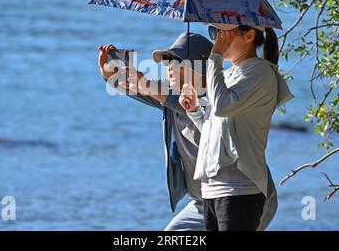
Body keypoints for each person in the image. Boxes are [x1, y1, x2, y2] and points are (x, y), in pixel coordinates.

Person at [179, 23, 294, 231]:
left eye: (222, 33)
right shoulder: (232, 73)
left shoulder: (260, 73)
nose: (217, 40)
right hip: (213, 190)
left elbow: (222, 107)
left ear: (249, 35)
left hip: (239, 190)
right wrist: (195, 110)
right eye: (214, 33)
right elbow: (215, 132)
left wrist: (214, 57)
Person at [97, 32, 213, 230]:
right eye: (167, 61)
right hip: (202, 203)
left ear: (200, 67)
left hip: (237, 199)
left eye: (176, 61)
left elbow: (183, 103)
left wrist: (145, 84)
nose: (169, 67)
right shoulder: (169, 97)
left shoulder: (217, 100)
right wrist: (109, 73)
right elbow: (131, 87)